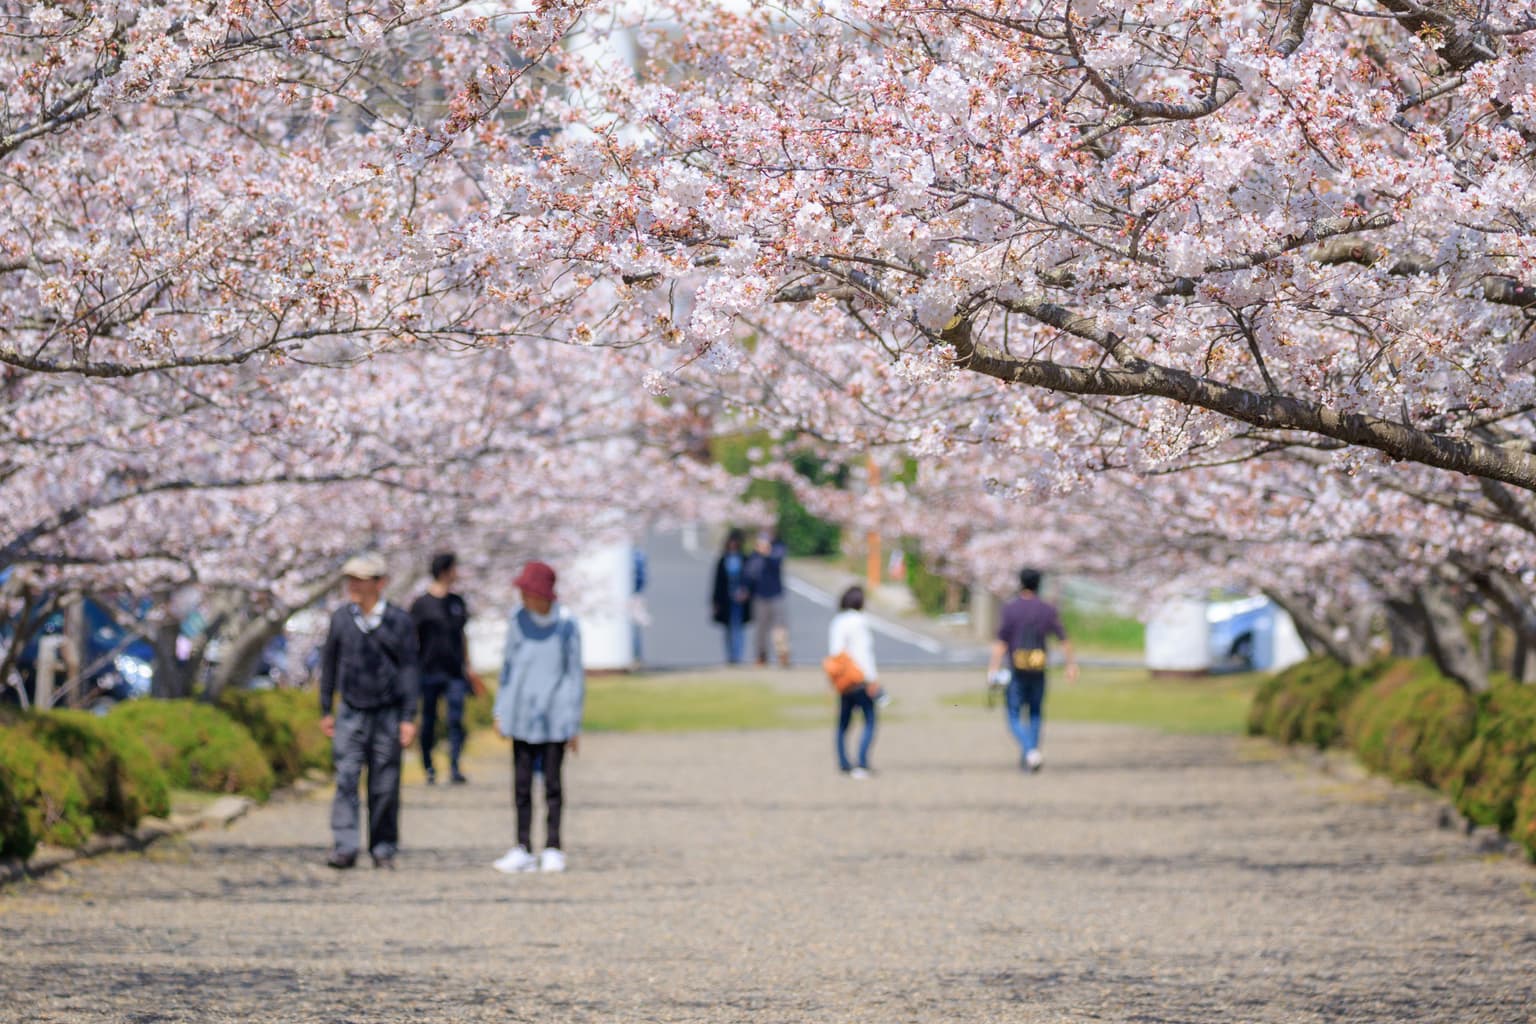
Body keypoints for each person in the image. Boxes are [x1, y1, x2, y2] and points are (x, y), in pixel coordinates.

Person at [320, 553, 419, 869]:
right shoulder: (341, 619)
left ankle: (383, 847)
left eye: (362, 580)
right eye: (352, 580)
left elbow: (409, 669)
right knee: (346, 777)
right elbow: (329, 664)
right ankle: (345, 845)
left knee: (385, 783)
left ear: (380, 583)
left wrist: (408, 716)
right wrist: (326, 708)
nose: (354, 586)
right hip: (350, 710)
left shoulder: (399, 621)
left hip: (388, 712)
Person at [492, 561, 584, 874]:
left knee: (553, 786)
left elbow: (574, 675)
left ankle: (553, 846)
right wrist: (500, 710)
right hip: (521, 713)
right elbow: (507, 668)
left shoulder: (566, 625)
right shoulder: (517, 621)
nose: (524, 598)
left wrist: (573, 722)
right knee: (521, 785)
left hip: (555, 715)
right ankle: (522, 847)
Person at [987, 568, 1079, 773]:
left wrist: (992, 669)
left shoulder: (1011, 609)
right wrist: (1071, 665)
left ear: (1020, 583)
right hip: (1038, 669)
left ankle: (1029, 751)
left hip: (1016, 669)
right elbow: (1064, 639)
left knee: (1013, 713)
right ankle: (1031, 753)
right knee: (1035, 712)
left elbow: (1001, 642)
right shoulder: (1047, 609)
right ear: (1039, 584)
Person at [409, 552, 479, 786]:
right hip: (428, 671)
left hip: (454, 672)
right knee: (429, 721)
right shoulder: (421, 604)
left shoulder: (457, 602)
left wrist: (469, 666)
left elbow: (462, 635)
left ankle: (454, 766)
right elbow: (412, 639)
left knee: (455, 720)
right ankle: (428, 766)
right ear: (445, 571)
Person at [828, 585, 878, 778]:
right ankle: (862, 761)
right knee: (870, 719)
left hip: (842, 678)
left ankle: (843, 762)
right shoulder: (860, 622)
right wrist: (872, 679)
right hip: (860, 677)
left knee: (843, 723)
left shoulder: (837, 621)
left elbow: (835, 652)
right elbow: (864, 653)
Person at [746, 529, 790, 667]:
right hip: (759, 596)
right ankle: (761, 656)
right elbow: (749, 574)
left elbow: (776, 564)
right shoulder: (754, 556)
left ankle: (782, 655)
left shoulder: (778, 549)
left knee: (779, 627)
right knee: (760, 629)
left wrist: (767, 554)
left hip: (775, 594)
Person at [710, 528, 753, 664]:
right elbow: (717, 582)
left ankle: (738, 655)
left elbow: (750, 578)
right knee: (728, 629)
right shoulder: (723, 560)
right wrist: (715, 602)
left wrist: (746, 591)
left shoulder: (744, 559)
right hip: (726, 600)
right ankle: (730, 655)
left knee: (739, 628)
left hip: (741, 600)